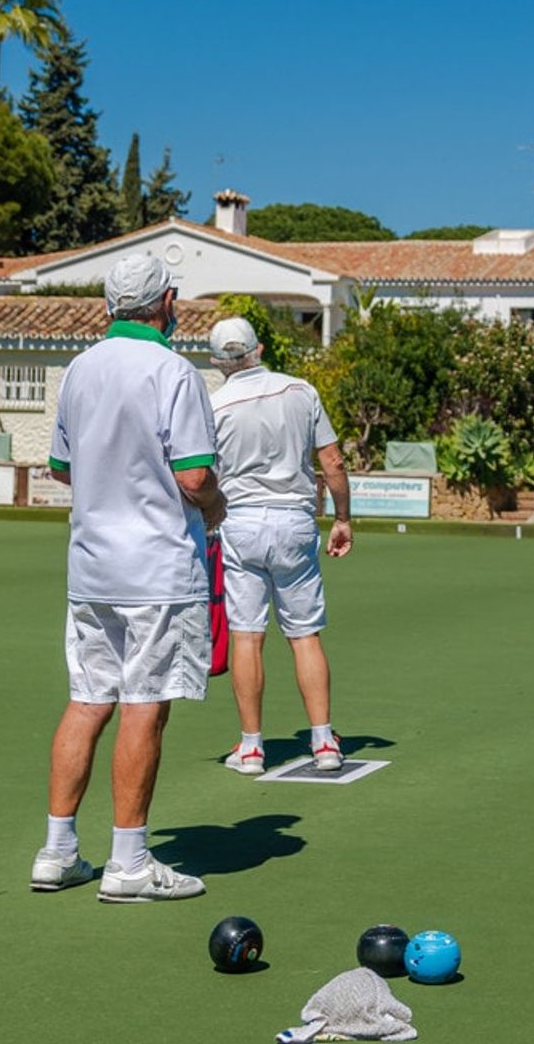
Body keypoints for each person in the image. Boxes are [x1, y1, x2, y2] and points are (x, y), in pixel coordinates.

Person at [30, 254, 226, 903]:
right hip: (156, 568)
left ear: (110, 304)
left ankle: (58, 852)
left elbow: (62, 467)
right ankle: (130, 862)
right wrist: (216, 506)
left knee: (88, 701)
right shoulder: (174, 370)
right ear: (166, 301)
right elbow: (195, 476)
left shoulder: (80, 369)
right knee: (146, 704)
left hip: (91, 566)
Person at [206, 316, 353, 776]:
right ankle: (324, 741)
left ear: (218, 362)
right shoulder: (300, 390)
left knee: (248, 637)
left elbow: (202, 475)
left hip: (240, 523)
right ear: (260, 348)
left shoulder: (213, 405)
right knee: (304, 634)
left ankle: (251, 748)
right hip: (294, 521)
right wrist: (344, 518)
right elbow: (332, 460)